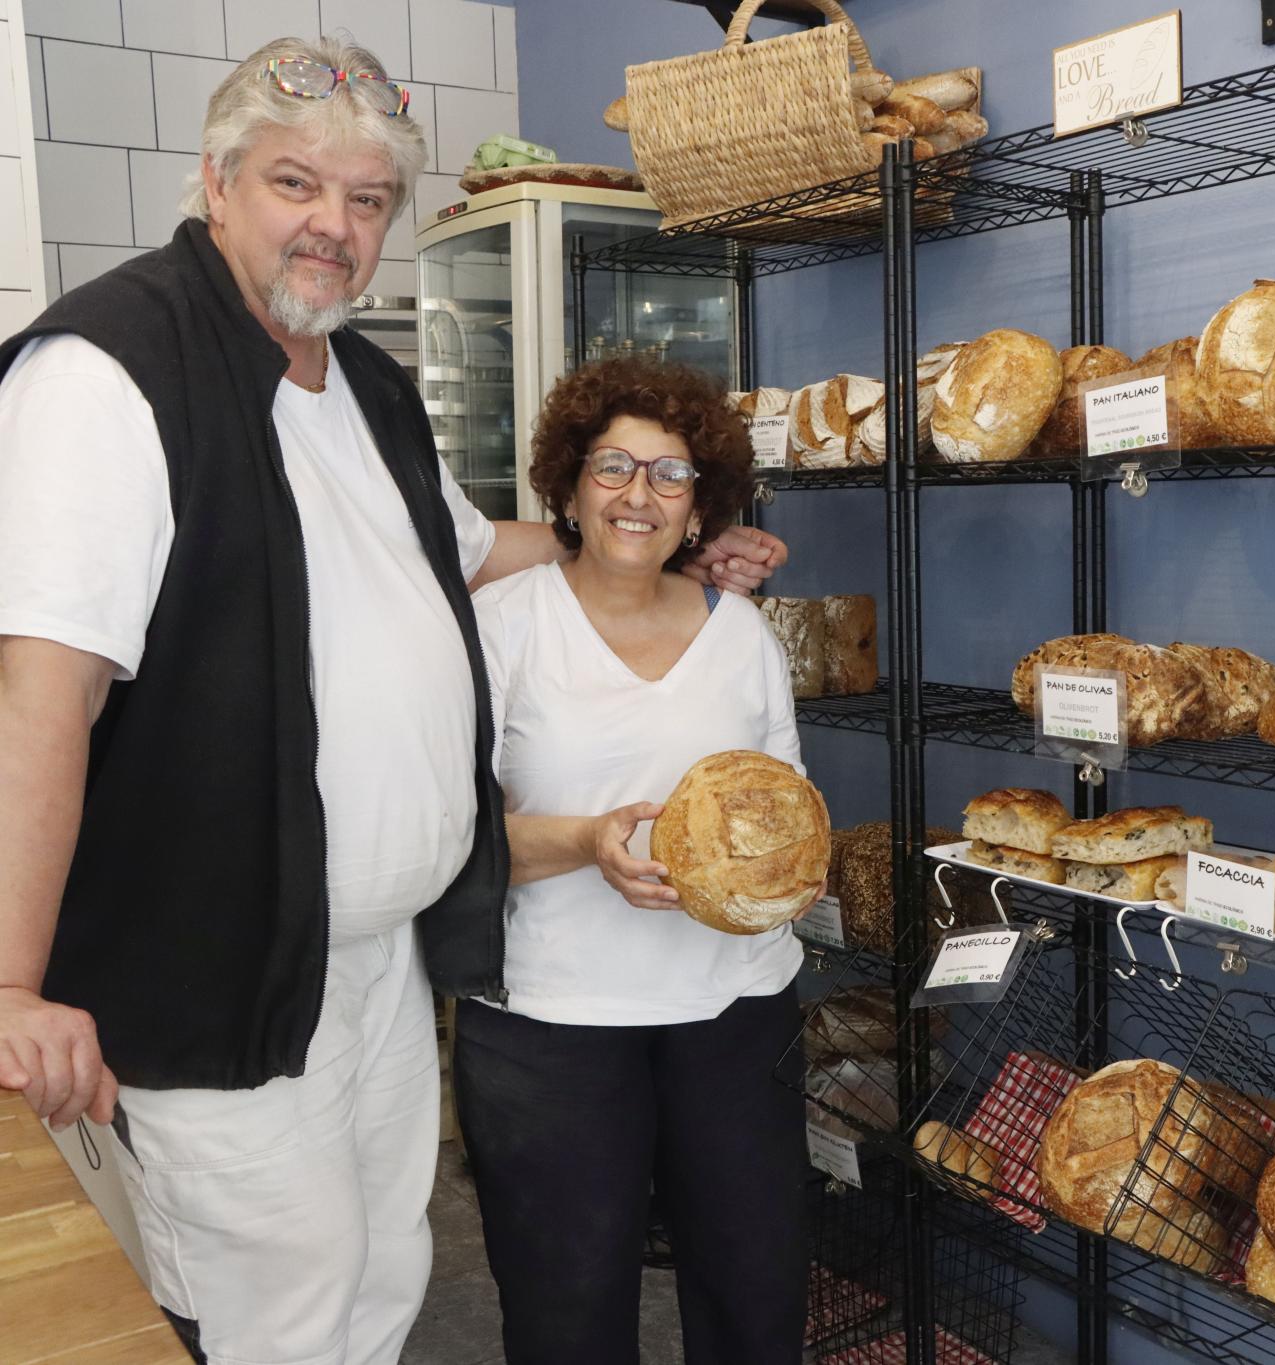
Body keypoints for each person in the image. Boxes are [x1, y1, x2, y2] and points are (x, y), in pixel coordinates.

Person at [0, 35, 784, 1365]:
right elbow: (37, 693)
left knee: (378, 1275)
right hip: (220, 966)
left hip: (368, 964)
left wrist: (658, 546)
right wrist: (13, 978)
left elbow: (477, 552)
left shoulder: (360, 381)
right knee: (272, 1302)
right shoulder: (110, 372)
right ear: (217, 181)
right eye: (297, 183)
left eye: (367, 201)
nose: (334, 226)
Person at [455, 354, 810, 1365]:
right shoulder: (498, 632)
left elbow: (785, 802)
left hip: (735, 1009)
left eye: (669, 475)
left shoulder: (740, 634)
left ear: (702, 509)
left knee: (754, 1290)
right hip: (552, 1026)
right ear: (567, 487)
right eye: (611, 468)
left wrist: (793, 874)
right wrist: (580, 841)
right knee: (566, 1305)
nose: (637, 495)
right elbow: (450, 840)